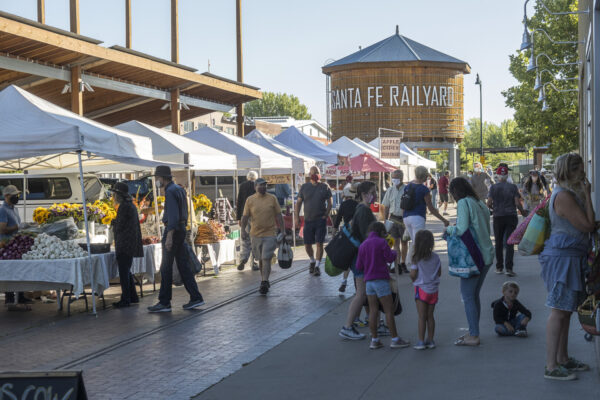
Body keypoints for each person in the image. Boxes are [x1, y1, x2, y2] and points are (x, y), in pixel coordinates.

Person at [539, 153, 596, 381]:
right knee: (558, 310)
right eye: (580, 170)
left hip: (569, 257)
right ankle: (551, 365)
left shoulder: (564, 193)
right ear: (570, 171)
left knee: (564, 311)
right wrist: (589, 196)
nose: (583, 174)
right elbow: (588, 225)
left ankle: (562, 358)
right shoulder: (564, 196)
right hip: (564, 259)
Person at [148, 166, 205, 313]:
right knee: (183, 265)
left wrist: (169, 237)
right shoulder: (179, 190)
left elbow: (173, 216)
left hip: (173, 231)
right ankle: (195, 296)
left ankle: (164, 301)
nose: (156, 181)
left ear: (162, 178)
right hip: (181, 230)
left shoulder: (170, 191)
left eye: (157, 178)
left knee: (166, 267)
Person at [446, 177, 494, 346]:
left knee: (467, 296)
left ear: (454, 191)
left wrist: (449, 229)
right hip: (486, 253)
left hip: (474, 256)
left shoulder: (463, 203)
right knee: (473, 295)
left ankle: (474, 335)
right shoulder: (479, 203)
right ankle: (474, 331)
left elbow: (461, 229)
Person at [356, 221, 410, 349]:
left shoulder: (363, 245)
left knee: (373, 311)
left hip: (369, 282)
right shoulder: (382, 243)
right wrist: (395, 252)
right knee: (388, 311)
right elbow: (390, 258)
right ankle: (395, 339)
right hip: (381, 280)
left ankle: (374, 340)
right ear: (381, 232)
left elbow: (359, 266)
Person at [339, 181, 377, 340]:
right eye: (372, 192)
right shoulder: (363, 210)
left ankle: (371, 321)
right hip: (362, 258)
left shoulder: (361, 209)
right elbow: (365, 235)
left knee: (365, 292)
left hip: (360, 257)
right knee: (361, 293)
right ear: (364, 194)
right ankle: (347, 326)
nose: (374, 195)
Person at [241, 178, 285, 295]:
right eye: (261, 185)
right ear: (255, 187)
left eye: (265, 185)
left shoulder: (272, 198)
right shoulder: (250, 200)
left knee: (266, 258)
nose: (263, 187)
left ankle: (265, 281)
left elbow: (279, 215)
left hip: (270, 234)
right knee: (260, 259)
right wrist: (243, 230)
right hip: (255, 234)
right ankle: (263, 279)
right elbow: (245, 217)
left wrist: (283, 230)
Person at [403, 166, 449, 262]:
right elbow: (431, 208)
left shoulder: (408, 186)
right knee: (419, 243)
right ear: (424, 176)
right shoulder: (424, 189)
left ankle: (410, 262)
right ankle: (416, 265)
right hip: (417, 218)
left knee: (415, 241)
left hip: (406, 217)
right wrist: (443, 220)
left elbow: (403, 205)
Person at [487, 165, 526, 277]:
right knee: (510, 242)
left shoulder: (493, 188)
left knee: (498, 242)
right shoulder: (513, 187)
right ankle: (509, 268)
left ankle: (499, 267)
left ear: (498, 176)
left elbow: (488, 203)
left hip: (498, 217)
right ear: (507, 175)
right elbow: (517, 203)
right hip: (511, 216)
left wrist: (494, 209)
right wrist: (523, 213)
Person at [110, 182, 143, 308]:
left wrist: (114, 223)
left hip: (125, 243)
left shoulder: (124, 207)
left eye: (114, 194)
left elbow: (120, 225)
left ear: (119, 195)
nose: (113, 197)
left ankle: (126, 299)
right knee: (126, 270)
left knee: (124, 272)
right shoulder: (130, 205)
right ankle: (133, 296)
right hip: (129, 242)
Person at [295, 165, 332, 276]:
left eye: (317, 172)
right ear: (310, 174)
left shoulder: (325, 186)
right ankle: (312, 260)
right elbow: (298, 203)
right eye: (313, 172)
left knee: (319, 243)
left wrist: (326, 214)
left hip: (320, 220)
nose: (315, 174)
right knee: (307, 244)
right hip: (308, 220)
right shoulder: (304, 187)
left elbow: (330, 202)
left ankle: (317, 266)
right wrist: (297, 217)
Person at [409, 229, 441, 350]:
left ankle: (421, 341)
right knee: (430, 316)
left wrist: (413, 280)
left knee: (421, 316)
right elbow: (439, 273)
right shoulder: (436, 257)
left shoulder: (416, 259)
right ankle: (431, 340)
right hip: (433, 289)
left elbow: (412, 274)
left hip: (421, 289)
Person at [1, 185, 30, 305]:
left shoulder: (15, 209)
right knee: (10, 271)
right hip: (7, 245)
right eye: (14, 195)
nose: (16, 197)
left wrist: (23, 226)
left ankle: (21, 295)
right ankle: (9, 297)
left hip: (16, 243)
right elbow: (2, 230)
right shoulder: (2, 210)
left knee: (20, 270)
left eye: (17, 195)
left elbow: (16, 225)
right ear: (6, 196)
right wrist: (18, 227)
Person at [381, 169, 409, 274]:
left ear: (401, 178)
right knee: (395, 242)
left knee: (404, 242)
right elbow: (386, 206)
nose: (394, 179)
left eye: (396, 177)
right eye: (393, 177)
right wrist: (384, 220)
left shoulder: (407, 189)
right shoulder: (390, 190)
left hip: (404, 219)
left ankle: (403, 262)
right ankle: (397, 265)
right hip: (393, 218)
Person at [333, 184, 358, 293]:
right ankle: (358, 283)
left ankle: (344, 281)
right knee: (357, 258)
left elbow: (338, 219)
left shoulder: (344, 204)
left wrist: (334, 233)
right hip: (358, 234)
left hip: (346, 233)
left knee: (348, 258)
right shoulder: (360, 205)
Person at [237, 171, 259, 271]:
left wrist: (238, 218)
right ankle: (253, 262)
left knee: (244, 238)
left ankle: (243, 259)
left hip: (244, 215)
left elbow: (239, 201)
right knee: (254, 238)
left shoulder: (242, 186)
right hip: (255, 216)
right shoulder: (257, 186)